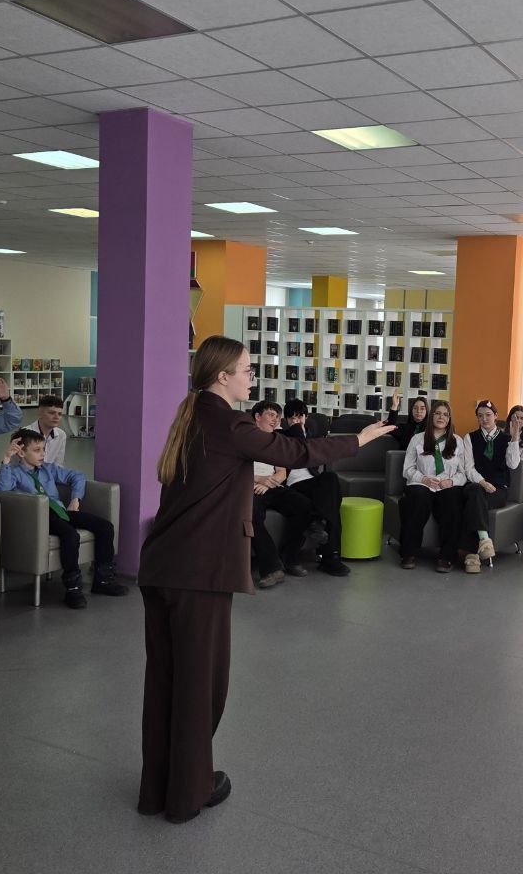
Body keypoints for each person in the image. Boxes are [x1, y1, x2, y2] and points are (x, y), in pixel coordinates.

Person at [137, 335, 390, 824]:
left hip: (164, 567)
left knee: (167, 683)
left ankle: (159, 790)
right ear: (222, 376)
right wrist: (358, 440)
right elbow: (294, 450)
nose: (252, 377)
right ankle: (188, 793)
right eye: (247, 370)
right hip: (199, 574)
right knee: (200, 687)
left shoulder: (190, 417)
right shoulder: (228, 423)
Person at [0, 429, 128, 609]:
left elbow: (77, 476)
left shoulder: (48, 469)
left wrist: (75, 499)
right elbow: (2, 490)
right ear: (21, 452)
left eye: (43, 449)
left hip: (61, 512)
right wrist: (6, 459)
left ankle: (103, 580)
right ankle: (73, 588)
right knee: (70, 534)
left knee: (105, 527)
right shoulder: (13, 472)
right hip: (40, 517)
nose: (43, 454)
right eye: (37, 450)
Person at [248, 401, 317, 588]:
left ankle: (289, 556)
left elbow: (282, 472)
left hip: (272, 486)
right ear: (257, 416)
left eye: (277, 417)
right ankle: (271, 568)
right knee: (251, 515)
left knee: (305, 507)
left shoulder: (276, 440)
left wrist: (269, 482)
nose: (275, 420)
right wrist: (259, 480)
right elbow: (236, 470)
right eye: (271, 415)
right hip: (251, 487)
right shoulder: (244, 438)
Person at [280, 398, 350, 577]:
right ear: (287, 420)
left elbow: (313, 456)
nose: (297, 420)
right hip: (292, 485)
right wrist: (296, 431)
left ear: (306, 417)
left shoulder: (312, 436)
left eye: (300, 417)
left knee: (331, 479)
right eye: (293, 418)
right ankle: (331, 557)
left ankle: (317, 523)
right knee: (332, 507)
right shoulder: (282, 437)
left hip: (312, 481)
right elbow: (296, 451)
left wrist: (303, 433)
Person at [400, 400, 468, 572]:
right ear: (431, 416)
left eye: (445, 414)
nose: (441, 417)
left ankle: (447, 556)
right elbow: (407, 469)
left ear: (449, 419)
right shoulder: (417, 439)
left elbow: (463, 473)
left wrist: (450, 482)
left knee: (453, 499)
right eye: (437, 413)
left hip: (446, 485)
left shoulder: (457, 441)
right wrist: (424, 479)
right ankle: (408, 553)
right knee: (418, 498)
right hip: (422, 483)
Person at [459, 399, 520, 571]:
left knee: (473, 501)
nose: (484, 419)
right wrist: (483, 482)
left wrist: (515, 438)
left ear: (496, 416)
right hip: (477, 484)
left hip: (498, 490)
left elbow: (513, 464)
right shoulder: (469, 438)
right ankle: (484, 540)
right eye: (480, 416)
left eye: (488, 415)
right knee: (475, 492)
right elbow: (468, 468)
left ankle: (472, 554)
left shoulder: (506, 438)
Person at [20, 394, 68, 468]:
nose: (56, 417)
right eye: (51, 413)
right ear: (40, 413)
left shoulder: (61, 435)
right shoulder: (25, 434)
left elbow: (58, 464)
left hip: (48, 473)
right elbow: (16, 464)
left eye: (60, 414)